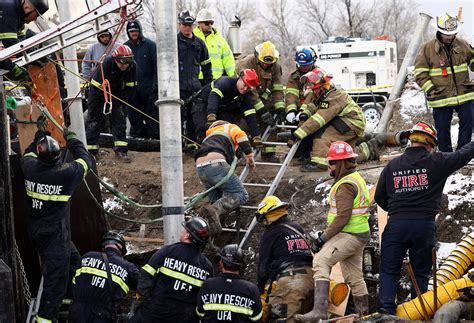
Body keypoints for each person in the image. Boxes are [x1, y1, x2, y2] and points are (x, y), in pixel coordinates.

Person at [375, 121, 474, 315]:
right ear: (430, 144)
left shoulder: (392, 165)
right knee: (420, 272)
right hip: (424, 225)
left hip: (396, 224)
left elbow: (380, 196)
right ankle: (417, 311)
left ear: (411, 141)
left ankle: (385, 312)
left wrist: (398, 210)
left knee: (388, 270)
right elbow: (463, 155)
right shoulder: (437, 162)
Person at [21, 125, 92, 323]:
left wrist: (40, 136)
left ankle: (68, 301)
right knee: (55, 281)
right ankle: (47, 318)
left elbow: (29, 152)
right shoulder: (66, 174)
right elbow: (85, 160)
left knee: (74, 261)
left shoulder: (29, 167)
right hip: (55, 235)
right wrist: (71, 139)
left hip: (37, 230)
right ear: (57, 158)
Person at [296, 141, 370, 321]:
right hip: (358, 233)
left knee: (321, 261)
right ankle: (364, 317)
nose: (329, 166)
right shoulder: (354, 178)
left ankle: (319, 311)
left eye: (332, 162)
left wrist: (322, 239)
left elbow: (342, 217)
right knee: (355, 278)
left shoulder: (345, 185)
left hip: (350, 234)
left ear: (342, 163)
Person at [130, 217, 214, 322]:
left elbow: (146, 277)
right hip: (185, 318)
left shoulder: (167, 251)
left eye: (185, 230)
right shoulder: (207, 266)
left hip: (156, 313)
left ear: (187, 235)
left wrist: (140, 299)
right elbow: (205, 298)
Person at [414, 12, 474, 152]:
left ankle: (463, 153)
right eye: (447, 34)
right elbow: (420, 73)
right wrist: (430, 89)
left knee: (468, 123)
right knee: (442, 129)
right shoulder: (427, 49)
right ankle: (446, 157)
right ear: (439, 31)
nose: (450, 37)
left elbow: (472, 59)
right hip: (440, 97)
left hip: (464, 95)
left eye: (452, 34)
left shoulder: (462, 44)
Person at [287, 67, 367, 172]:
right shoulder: (322, 93)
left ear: (323, 87)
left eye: (315, 89)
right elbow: (312, 105)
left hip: (352, 123)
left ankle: (319, 164)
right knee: (344, 155)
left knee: (322, 136)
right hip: (343, 120)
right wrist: (304, 114)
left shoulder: (334, 96)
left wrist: (298, 134)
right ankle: (368, 149)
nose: (313, 91)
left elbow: (319, 119)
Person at [255, 195, 313, 323]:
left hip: (291, 283)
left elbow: (263, 267)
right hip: (311, 280)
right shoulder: (297, 228)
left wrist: (259, 289)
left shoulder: (271, 233)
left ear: (267, 216)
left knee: (277, 318)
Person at [196, 121, 255, 236]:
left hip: (200, 168)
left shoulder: (208, 137)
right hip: (216, 163)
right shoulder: (229, 127)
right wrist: (249, 155)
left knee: (216, 199)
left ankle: (210, 232)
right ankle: (215, 210)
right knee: (240, 194)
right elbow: (241, 136)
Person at [68, 230, 140, 322]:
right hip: (102, 317)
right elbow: (143, 287)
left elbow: (74, 280)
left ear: (103, 246)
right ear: (121, 247)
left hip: (77, 313)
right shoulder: (128, 267)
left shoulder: (86, 256)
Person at [86, 44, 137, 163]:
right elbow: (97, 84)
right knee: (95, 120)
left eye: (128, 62)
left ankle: (121, 150)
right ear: (116, 59)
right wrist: (107, 99)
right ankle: (91, 151)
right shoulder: (107, 63)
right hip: (98, 92)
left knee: (119, 119)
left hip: (118, 93)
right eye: (122, 62)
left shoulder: (132, 67)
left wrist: (121, 102)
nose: (125, 65)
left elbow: (131, 87)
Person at [236, 41, 285, 161]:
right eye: (263, 63)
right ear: (257, 57)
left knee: (271, 120)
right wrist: (262, 110)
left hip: (263, 96)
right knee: (245, 122)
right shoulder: (247, 63)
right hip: (245, 94)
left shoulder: (276, 66)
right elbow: (249, 90)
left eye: (269, 63)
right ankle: (238, 153)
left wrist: (280, 107)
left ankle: (268, 152)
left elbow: (277, 87)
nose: (266, 66)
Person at [187, 68, 262, 145]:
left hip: (220, 109)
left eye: (248, 88)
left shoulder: (245, 96)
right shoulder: (225, 82)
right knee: (202, 127)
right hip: (202, 103)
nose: (245, 89)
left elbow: (250, 115)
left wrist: (256, 136)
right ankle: (201, 148)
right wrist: (211, 116)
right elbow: (214, 97)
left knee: (227, 127)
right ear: (240, 78)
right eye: (245, 85)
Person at [196, 244, 263, 322]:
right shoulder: (251, 289)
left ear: (221, 262)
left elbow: (200, 313)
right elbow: (257, 318)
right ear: (241, 265)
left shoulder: (208, 285)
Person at [177, 10, 213, 147]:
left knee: (195, 117)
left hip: (195, 87)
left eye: (190, 24)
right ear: (180, 24)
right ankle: (178, 145)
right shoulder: (174, 43)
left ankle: (192, 144)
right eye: (185, 24)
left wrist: (209, 85)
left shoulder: (199, 44)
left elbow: (206, 65)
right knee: (178, 117)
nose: (187, 27)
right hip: (178, 87)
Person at [124, 20, 159, 140]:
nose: (134, 33)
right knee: (134, 117)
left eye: (136, 31)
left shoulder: (150, 45)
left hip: (149, 89)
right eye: (131, 31)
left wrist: (155, 85)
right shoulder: (125, 47)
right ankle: (136, 140)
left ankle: (154, 140)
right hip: (132, 90)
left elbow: (157, 67)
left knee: (152, 117)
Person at [0, 0, 49, 81]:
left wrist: (34, 58)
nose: (34, 19)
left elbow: (22, 42)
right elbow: (11, 46)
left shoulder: (17, 14)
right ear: (27, 8)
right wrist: (13, 68)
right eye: (36, 15)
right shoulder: (9, 10)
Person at [194, 8, 235, 80]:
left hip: (216, 80)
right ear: (199, 23)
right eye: (207, 23)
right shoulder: (192, 38)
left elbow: (228, 59)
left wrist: (232, 76)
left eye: (211, 23)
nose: (210, 25)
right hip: (197, 80)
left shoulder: (220, 39)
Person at [285, 47, 318, 124]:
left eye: (306, 65)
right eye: (301, 65)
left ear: (313, 62)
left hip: (313, 111)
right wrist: (291, 111)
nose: (303, 68)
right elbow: (291, 94)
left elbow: (312, 96)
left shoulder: (318, 75)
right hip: (297, 111)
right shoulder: (294, 77)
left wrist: (302, 111)